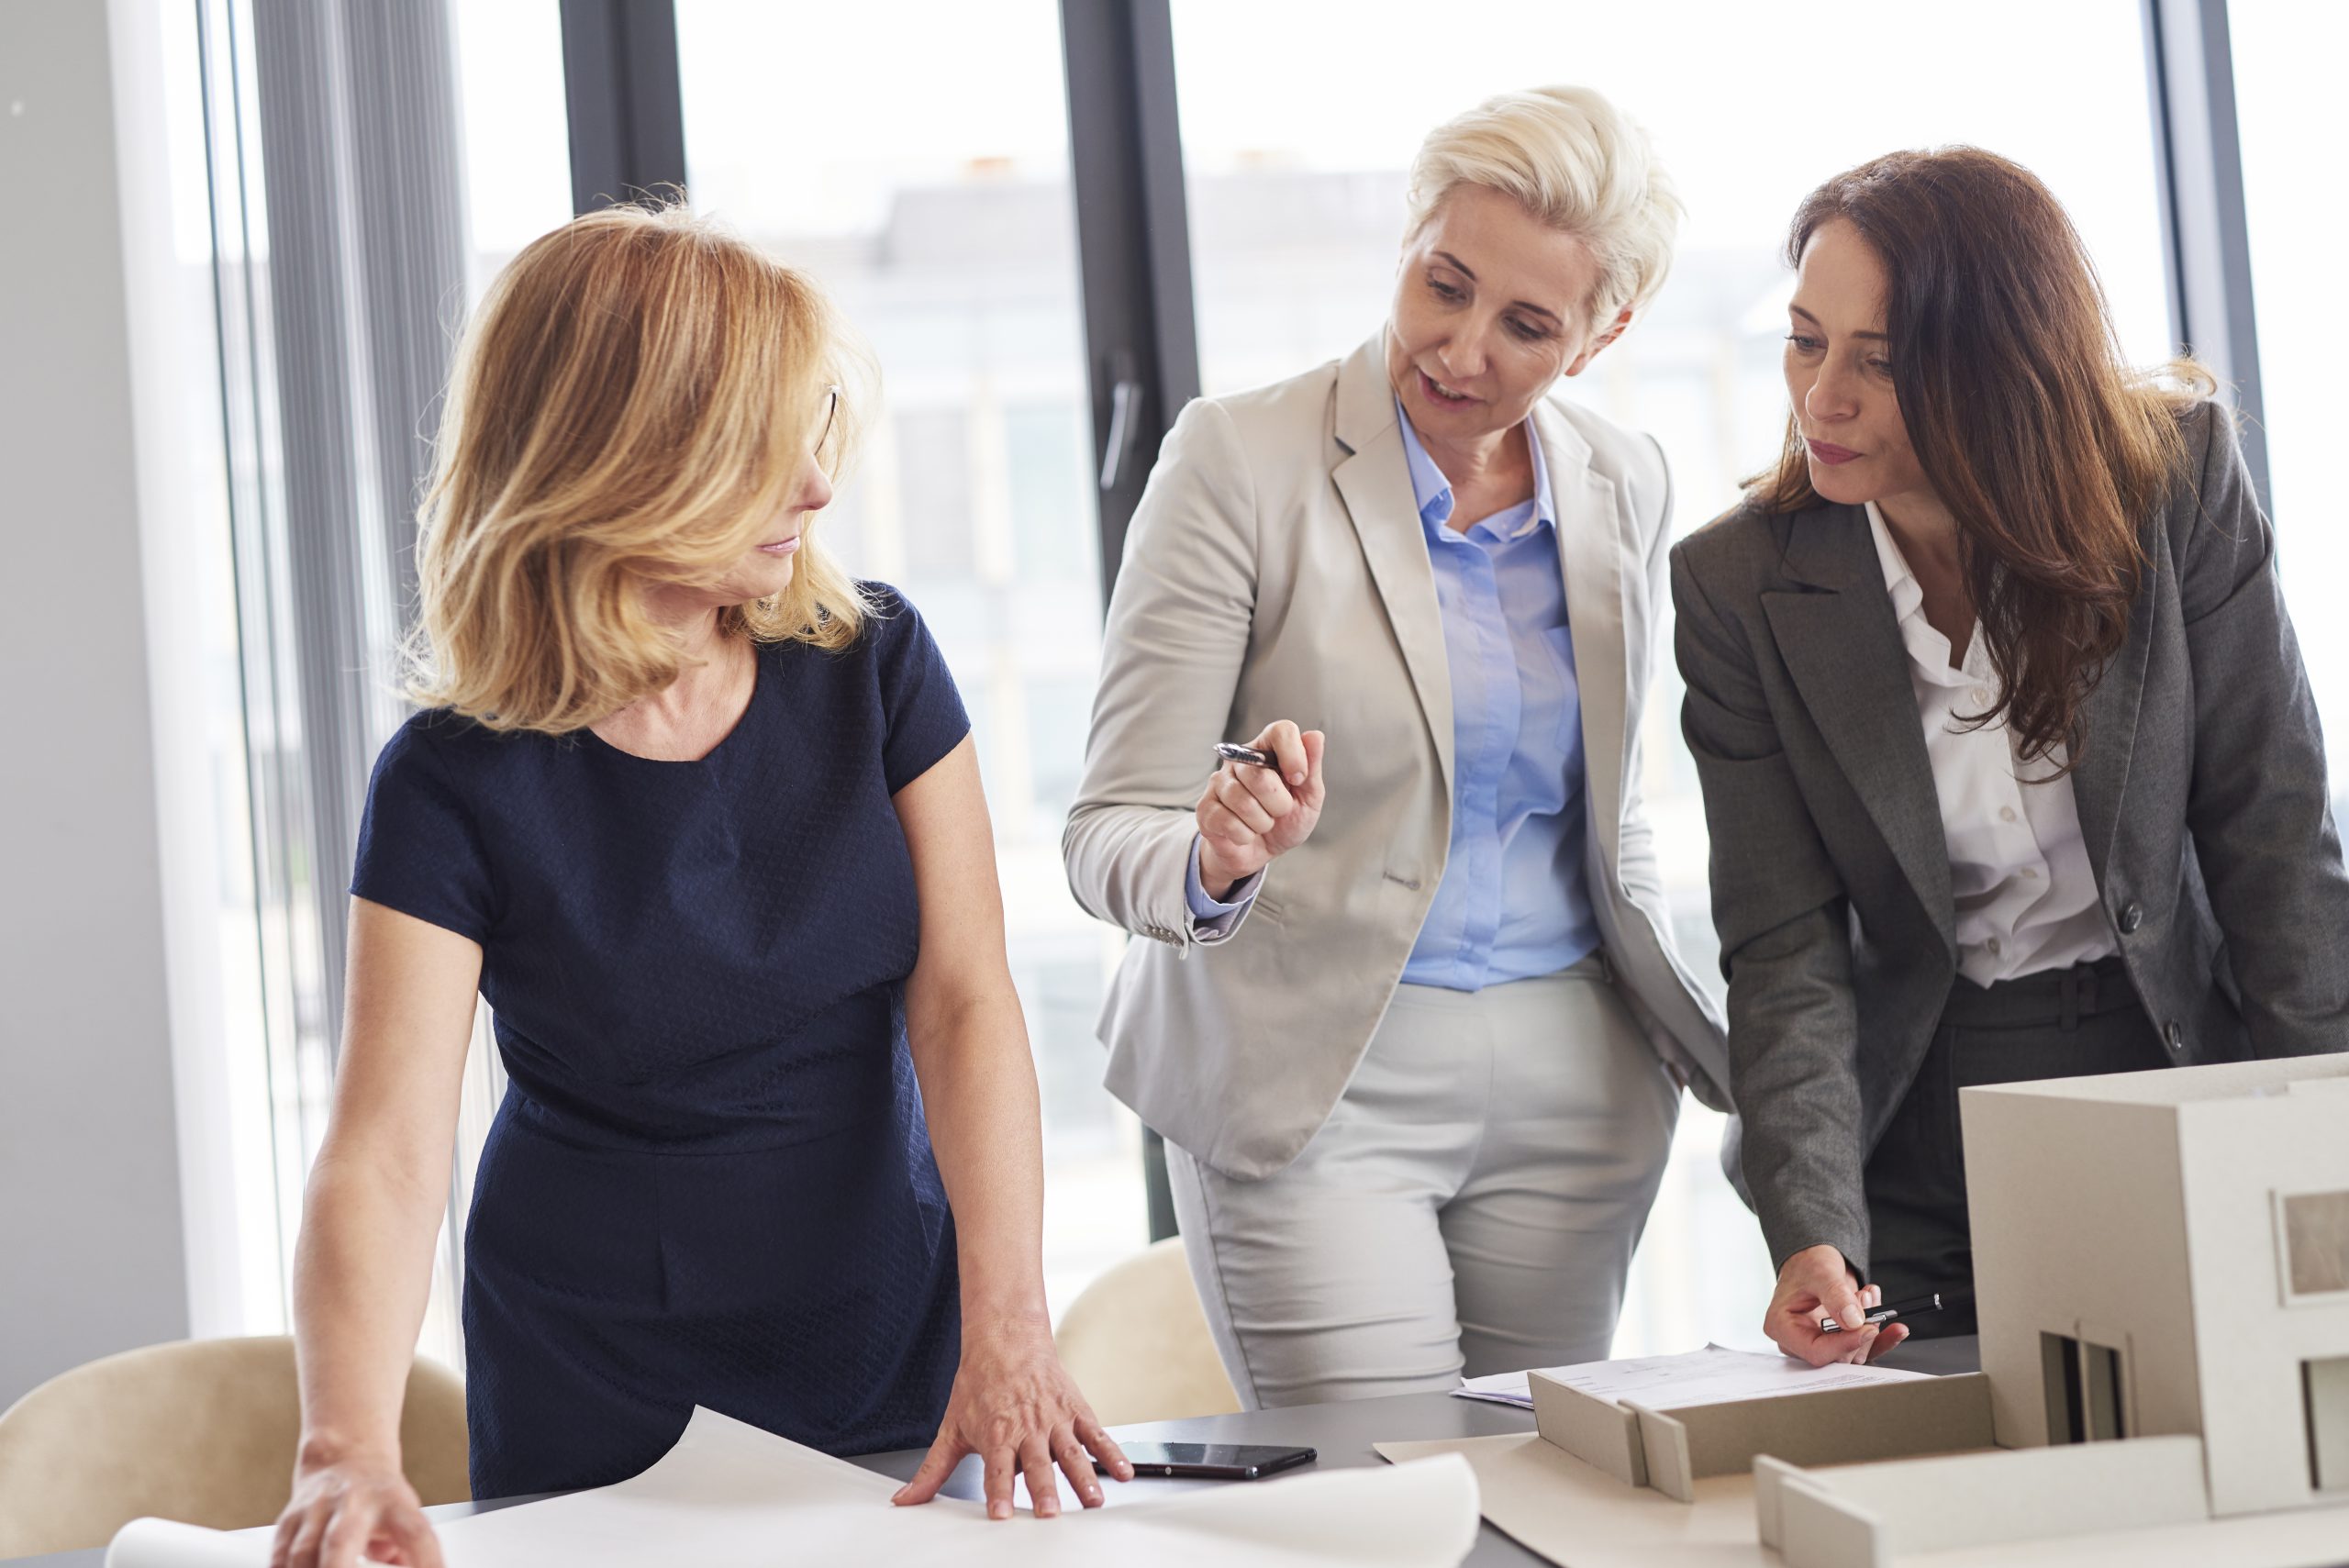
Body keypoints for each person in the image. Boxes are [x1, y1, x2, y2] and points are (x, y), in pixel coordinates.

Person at [272, 206, 1127, 1568]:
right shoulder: (450, 778)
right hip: (592, 1380)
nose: (813, 485)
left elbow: (965, 1003)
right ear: (626, 463)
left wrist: (1009, 1316)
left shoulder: (878, 668)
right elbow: (384, 1149)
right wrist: (346, 1451)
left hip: (880, 1330)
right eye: (761, 445)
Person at [1063, 86, 1730, 1410]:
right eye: (1444, 283)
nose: (1460, 346)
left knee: (1548, 1502)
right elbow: (1108, 830)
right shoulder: (1238, 461)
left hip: (1575, 1091)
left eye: (1527, 323)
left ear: (1601, 336)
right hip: (1316, 1082)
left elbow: (1613, 813)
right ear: (1412, 241)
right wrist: (1212, 855)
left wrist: (1686, 1025)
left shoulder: (1625, 483)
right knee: (1383, 1505)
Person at [1671, 147, 2349, 1370]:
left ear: (1998, 365)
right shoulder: (1739, 584)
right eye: (1805, 340)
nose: (1821, 398)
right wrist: (1812, 1227)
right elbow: (1783, 945)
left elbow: (2275, 837)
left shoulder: (2172, 482)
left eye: (1878, 362)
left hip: (2173, 1062)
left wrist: (2320, 1154)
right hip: (1921, 1118)